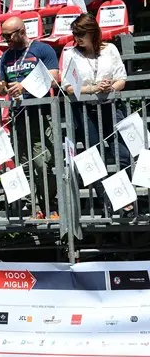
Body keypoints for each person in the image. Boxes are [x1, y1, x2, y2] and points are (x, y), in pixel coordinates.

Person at [61, 13, 131, 215]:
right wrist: (92, 89)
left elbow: (121, 78)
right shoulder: (70, 53)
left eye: (81, 34)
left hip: (110, 106)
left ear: (93, 33)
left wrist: (110, 87)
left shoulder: (110, 49)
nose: (77, 39)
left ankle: (122, 195)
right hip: (85, 110)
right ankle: (109, 201)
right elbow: (68, 86)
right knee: (95, 157)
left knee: (123, 154)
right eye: (75, 34)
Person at [0, 17, 61, 219]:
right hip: (17, 116)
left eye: (8, 35)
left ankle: (51, 206)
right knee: (24, 164)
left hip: (39, 113)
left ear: (21, 31)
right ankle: (35, 208)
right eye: (3, 35)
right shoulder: (6, 56)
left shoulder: (42, 49)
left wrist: (24, 86)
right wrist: (1, 88)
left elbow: (54, 77)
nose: (5, 39)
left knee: (43, 163)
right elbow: (4, 85)